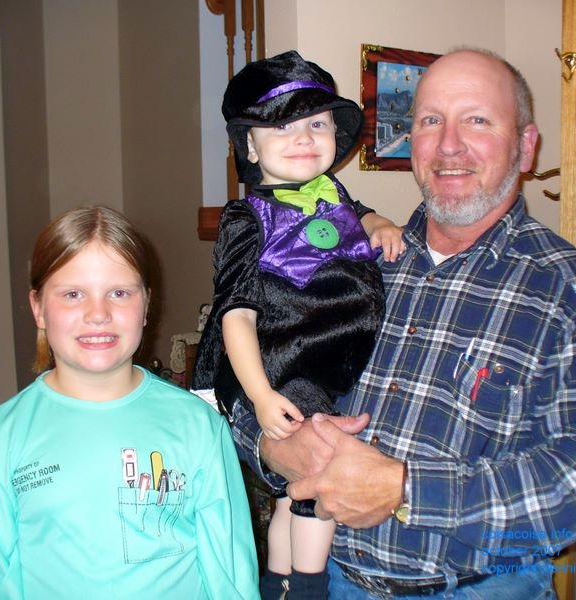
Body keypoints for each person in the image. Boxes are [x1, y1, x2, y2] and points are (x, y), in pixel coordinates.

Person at [231, 47, 576, 600]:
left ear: (526, 147)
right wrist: (274, 446)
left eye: (478, 120)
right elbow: (246, 383)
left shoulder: (574, 291)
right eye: (429, 121)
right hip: (326, 581)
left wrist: (405, 489)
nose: (449, 144)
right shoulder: (344, 261)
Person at [0, 206, 259, 599]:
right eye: (73, 294)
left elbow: (231, 578)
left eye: (119, 293)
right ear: (38, 308)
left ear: (146, 305)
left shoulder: (199, 426)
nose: (98, 314)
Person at [191, 50, 405, 599]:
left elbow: (359, 213)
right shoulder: (249, 217)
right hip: (289, 365)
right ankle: (310, 584)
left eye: (317, 124)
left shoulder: (333, 195)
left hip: (334, 366)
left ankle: (278, 580)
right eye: (282, 127)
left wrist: (380, 222)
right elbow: (235, 313)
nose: (304, 138)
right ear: (250, 146)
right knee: (319, 475)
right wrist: (261, 395)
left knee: (290, 492)